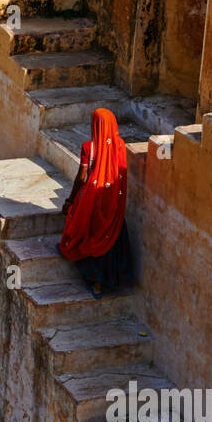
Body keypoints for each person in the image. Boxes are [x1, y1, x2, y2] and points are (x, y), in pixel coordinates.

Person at [58, 108, 133, 299]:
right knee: (109, 235)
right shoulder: (120, 146)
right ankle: (105, 283)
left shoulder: (88, 148)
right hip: (112, 201)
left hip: (93, 202)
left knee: (82, 230)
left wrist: (70, 200)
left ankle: (94, 281)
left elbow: (81, 178)